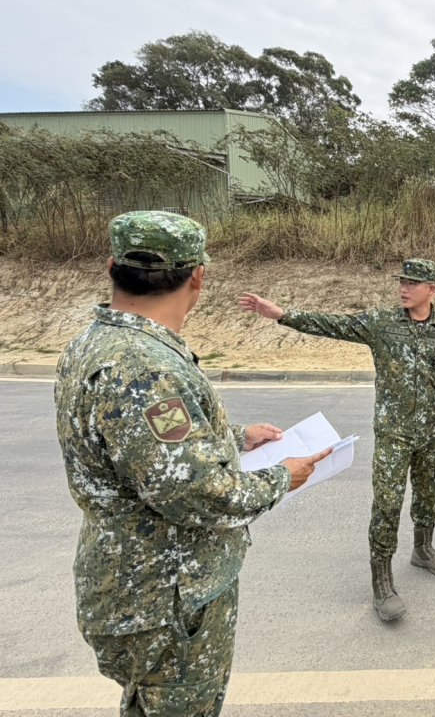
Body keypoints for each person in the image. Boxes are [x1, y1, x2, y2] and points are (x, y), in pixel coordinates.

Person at [55, 211, 328, 716]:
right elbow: (196, 493)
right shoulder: (145, 367)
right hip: (168, 598)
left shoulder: (94, 343)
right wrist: (280, 478)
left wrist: (232, 437)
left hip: (133, 589)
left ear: (112, 265)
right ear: (198, 276)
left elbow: (134, 448)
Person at [239, 259, 435, 623]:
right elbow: (333, 325)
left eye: (413, 283)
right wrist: (281, 314)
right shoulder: (382, 323)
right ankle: (382, 581)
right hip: (394, 435)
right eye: (402, 281)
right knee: (387, 504)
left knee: (426, 495)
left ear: (432, 289)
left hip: (431, 435)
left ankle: (423, 550)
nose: (404, 288)